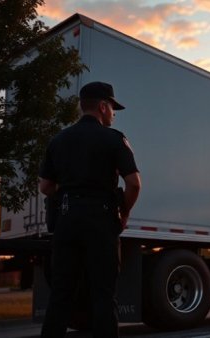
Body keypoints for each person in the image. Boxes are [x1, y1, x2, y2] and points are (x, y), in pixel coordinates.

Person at [39, 81, 141, 337]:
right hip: (101, 220)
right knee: (103, 295)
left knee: (61, 295)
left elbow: (45, 186)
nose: (114, 114)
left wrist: (69, 192)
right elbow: (133, 183)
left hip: (66, 220)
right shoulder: (114, 139)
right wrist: (125, 212)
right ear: (103, 107)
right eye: (113, 108)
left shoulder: (58, 140)